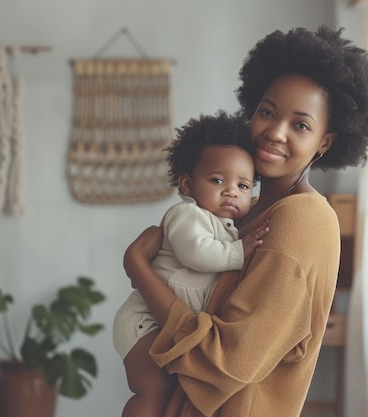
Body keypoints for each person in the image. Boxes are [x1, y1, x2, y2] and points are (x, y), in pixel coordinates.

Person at [123, 25, 368, 417]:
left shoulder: (304, 220)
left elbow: (229, 360)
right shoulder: (242, 212)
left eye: (300, 125)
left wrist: (138, 271)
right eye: (267, 112)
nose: (275, 132)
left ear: (325, 143)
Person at [113, 111, 269, 417]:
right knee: (152, 390)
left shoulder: (229, 227)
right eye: (217, 180)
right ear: (187, 184)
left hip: (164, 324)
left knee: (168, 394)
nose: (231, 191)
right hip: (144, 322)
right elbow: (196, 253)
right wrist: (239, 252)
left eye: (243, 186)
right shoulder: (187, 216)